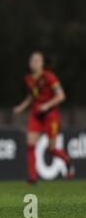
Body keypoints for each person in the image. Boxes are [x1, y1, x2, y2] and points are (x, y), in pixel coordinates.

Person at [13, 51, 75, 183]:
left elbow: (61, 96)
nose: (33, 63)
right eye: (32, 60)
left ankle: (67, 161)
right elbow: (31, 96)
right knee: (30, 145)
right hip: (36, 115)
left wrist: (47, 105)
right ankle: (32, 177)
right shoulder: (28, 78)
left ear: (42, 63)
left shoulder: (49, 77)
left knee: (51, 149)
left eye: (36, 60)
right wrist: (21, 107)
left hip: (51, 115)